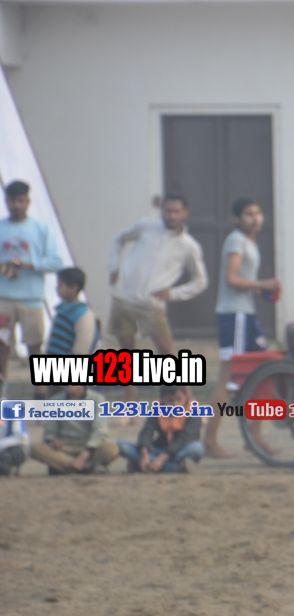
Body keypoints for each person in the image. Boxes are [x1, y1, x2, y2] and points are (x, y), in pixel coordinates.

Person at [108, 194, 207, 403]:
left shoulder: (188, 245)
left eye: (176, 211)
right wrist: (113, 267)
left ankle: (189, 401)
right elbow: (119, 239)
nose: (172, 216)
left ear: (185, 213)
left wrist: (173, 293)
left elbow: (200, 281)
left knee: (167, 353)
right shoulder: (146, 226)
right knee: (126, 355)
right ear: (162, 210)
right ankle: (130, 405)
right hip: (123, 298)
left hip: (151, 305)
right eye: (168, 211)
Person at [203, 198, 281, 457]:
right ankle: (209, 441)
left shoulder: (250, 243)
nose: (255, 218)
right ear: (237, 219)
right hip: (233, 315)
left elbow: (242, 281)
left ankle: (254, 438)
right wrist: (261, 284)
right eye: (248, 214)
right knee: (227, 377)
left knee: (262, 372)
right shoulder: (236, 240)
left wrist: (260, 290)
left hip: (246, 314)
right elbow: (231, 279)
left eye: (258, 213)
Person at [0, 180, 64, 383]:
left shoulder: (40, 229)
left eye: (20, 201)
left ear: (28, 201)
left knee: (34, 346)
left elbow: (56, 262)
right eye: (12, 201)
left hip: (31, 299)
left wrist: (28, 265)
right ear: (6, 201)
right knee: (1, 346)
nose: (16, 205)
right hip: (4, 299)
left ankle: (40, 391)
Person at [29, 385, 119, 474]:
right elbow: (50, 432)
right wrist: (52, 441)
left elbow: (100, 432)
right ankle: (86, 467)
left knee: (112, 448)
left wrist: (84, 455)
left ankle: (64, 467)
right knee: (34, 448)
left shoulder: (97, 399)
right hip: (64, 448)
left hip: (89, 446)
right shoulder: (55, 400)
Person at [119, 386, 204, 473]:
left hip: (179, 451)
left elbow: (184, 439)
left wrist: (162, 458)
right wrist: (145, 455)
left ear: (186, 397)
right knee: (121, 445)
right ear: (162, 399)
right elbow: (146, 432)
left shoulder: (194, 410)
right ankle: (174, 468)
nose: (175, 404)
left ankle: (146, 465)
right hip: (158, 450)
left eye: (179, 399)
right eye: (170, 400)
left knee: (197, 448)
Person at [46, 268, 98, 356]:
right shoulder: (61, 309)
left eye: (60, 285)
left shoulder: (83, 314)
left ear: (74, 288)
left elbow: (83, 345)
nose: (56, 288)